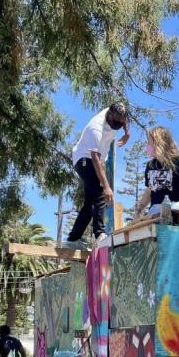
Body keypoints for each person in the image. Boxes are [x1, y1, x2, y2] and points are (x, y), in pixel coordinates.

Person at [66, 103, 130, 249]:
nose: (117, 126)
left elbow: (125, 120)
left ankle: (72, 239)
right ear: (109, 115)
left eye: (119, 124)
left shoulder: (119, 115)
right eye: (115, 123)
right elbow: (95, 160)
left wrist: (127, 134)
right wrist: (106, 186)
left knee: (89, 204)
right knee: (100, 192)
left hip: (93, 159)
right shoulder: (96, 128)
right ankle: (100, 234)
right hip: (84, 159)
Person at [136, 126, 179, 215]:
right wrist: (139, 209)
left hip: (176, 207)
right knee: (153, 211)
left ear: (159, 144)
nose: (147, 147)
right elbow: (149, 190)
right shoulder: (151, 165)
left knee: (175, 208)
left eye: (149, 143)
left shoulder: (178, 161)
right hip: (156, 210)